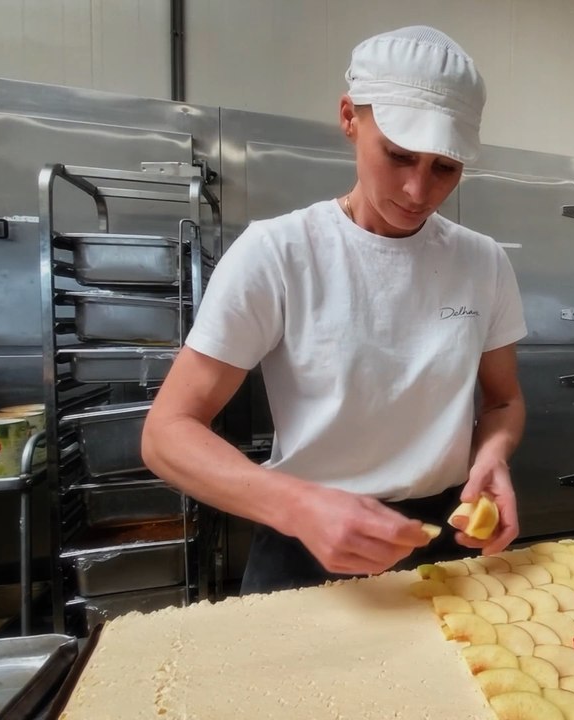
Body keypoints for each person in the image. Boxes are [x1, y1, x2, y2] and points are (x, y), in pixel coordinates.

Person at [141, 25, 528, 595]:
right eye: (399, 155)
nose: (418, 191)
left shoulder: (483, 262)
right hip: (304, 541)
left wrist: (491, 456)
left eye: (445, 167)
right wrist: (296, 505)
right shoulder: (279, 252)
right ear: (350, 117)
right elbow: (166, 432)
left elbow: (503, 401)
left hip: (444, 541)